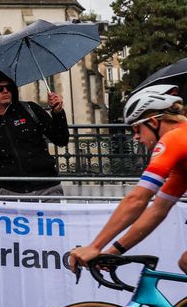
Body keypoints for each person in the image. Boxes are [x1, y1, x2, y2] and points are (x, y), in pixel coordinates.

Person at [69, 85, 187, 274]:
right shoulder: (182, 157)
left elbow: (137, 199)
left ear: (154, 122)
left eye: (136, 128)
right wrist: (113, 252)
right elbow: (157, 210)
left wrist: (95, 246)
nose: (136, 137)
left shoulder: (174, 139)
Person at [0, 70, 68, 196]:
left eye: (9, 87)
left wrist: (58, 113)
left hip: (46, 187)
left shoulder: (29, 109)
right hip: (9, 192)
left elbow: (61, 139)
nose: (5, 91)